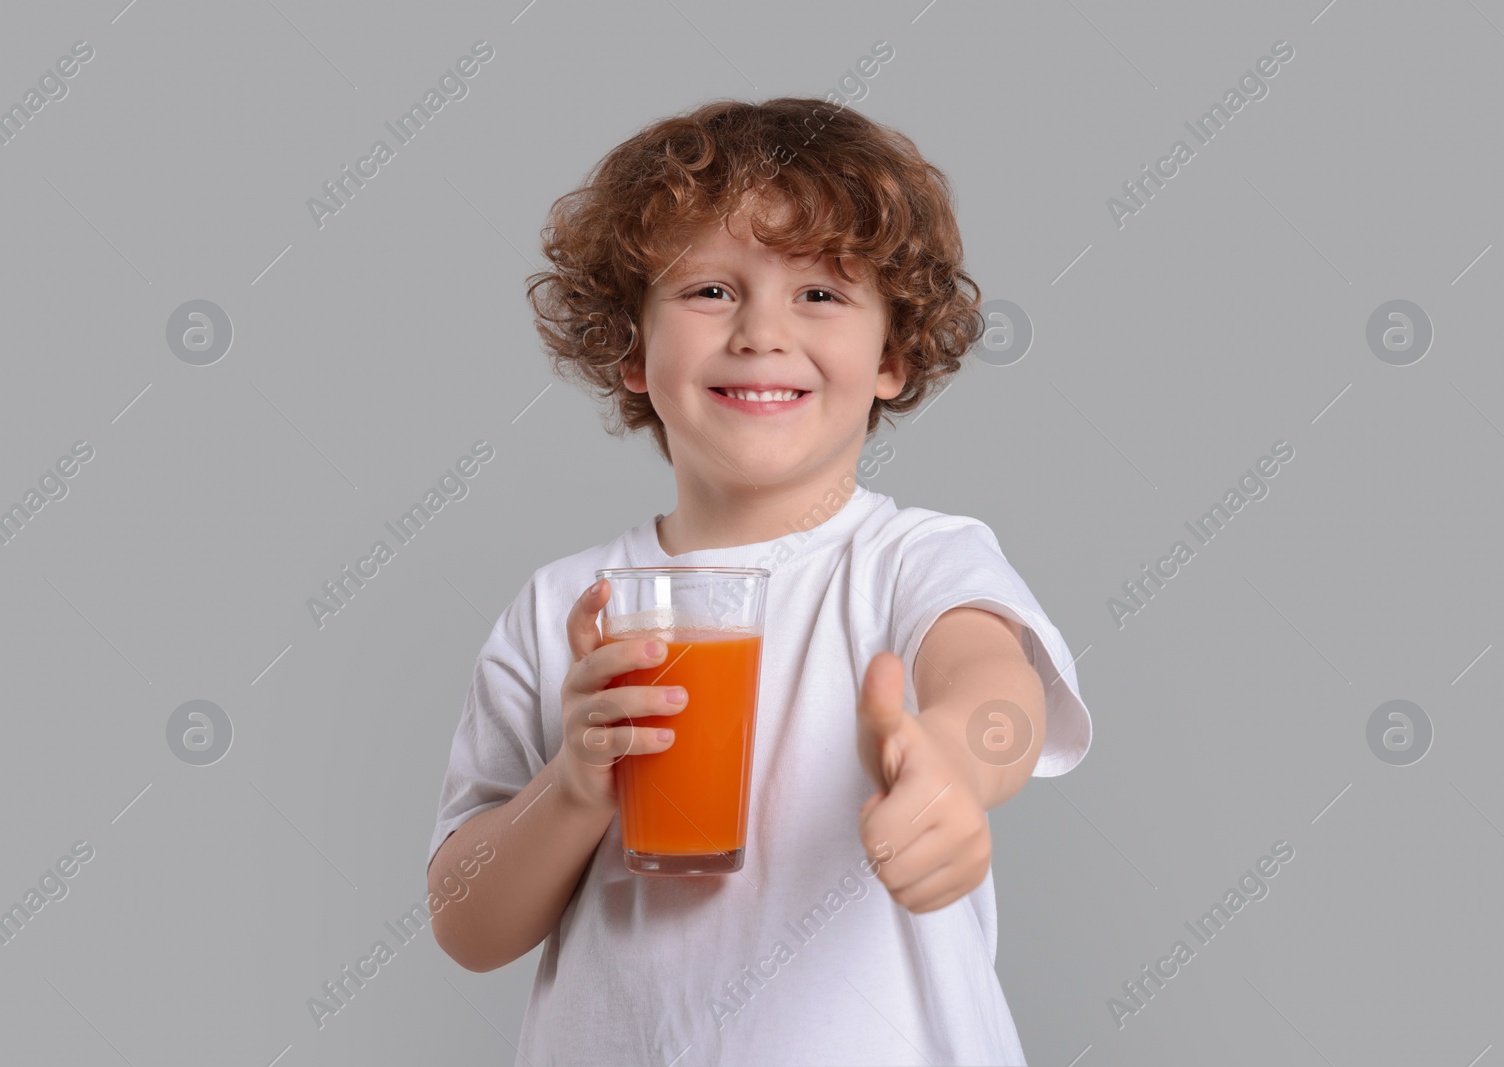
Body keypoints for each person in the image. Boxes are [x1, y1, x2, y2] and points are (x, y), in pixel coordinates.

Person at [426, 96, 1092, 1066]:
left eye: (820, 294)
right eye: (709, 292)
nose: (760, 332)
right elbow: (464, 921)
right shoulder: (560, 607)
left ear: (892, 354)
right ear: (630, 350)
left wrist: (950, 756)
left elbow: (994, 682)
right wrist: (571, 787)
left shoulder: (912, 559)